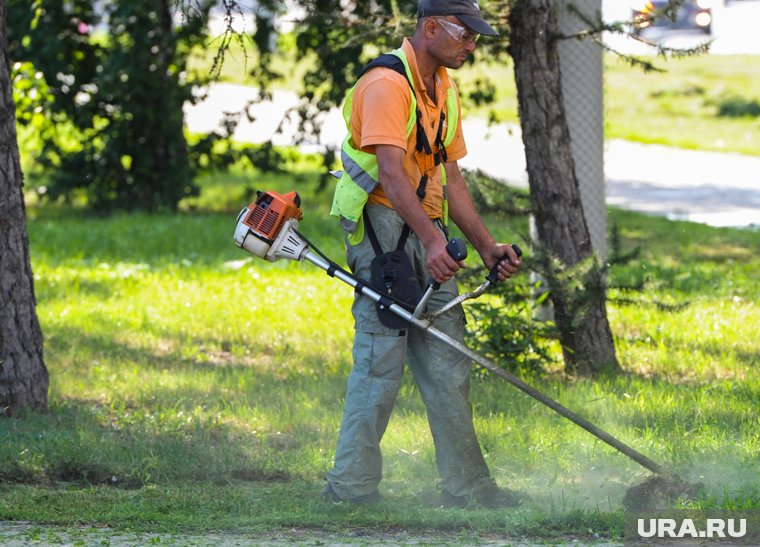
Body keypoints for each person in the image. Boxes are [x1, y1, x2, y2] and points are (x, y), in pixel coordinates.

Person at [325, 0, 524, 508]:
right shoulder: (386, 84)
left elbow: (449, 175)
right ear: (430, 27)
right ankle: (350, 490)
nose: (472, 45)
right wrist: (434, 241)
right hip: (382, 229)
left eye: (476, 36)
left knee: (448, 361)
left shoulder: (444, 88)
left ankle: (468, 488)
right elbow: (391, 174)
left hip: (424, 224)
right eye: (465, 35)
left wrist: (486, 246)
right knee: (380, 362)